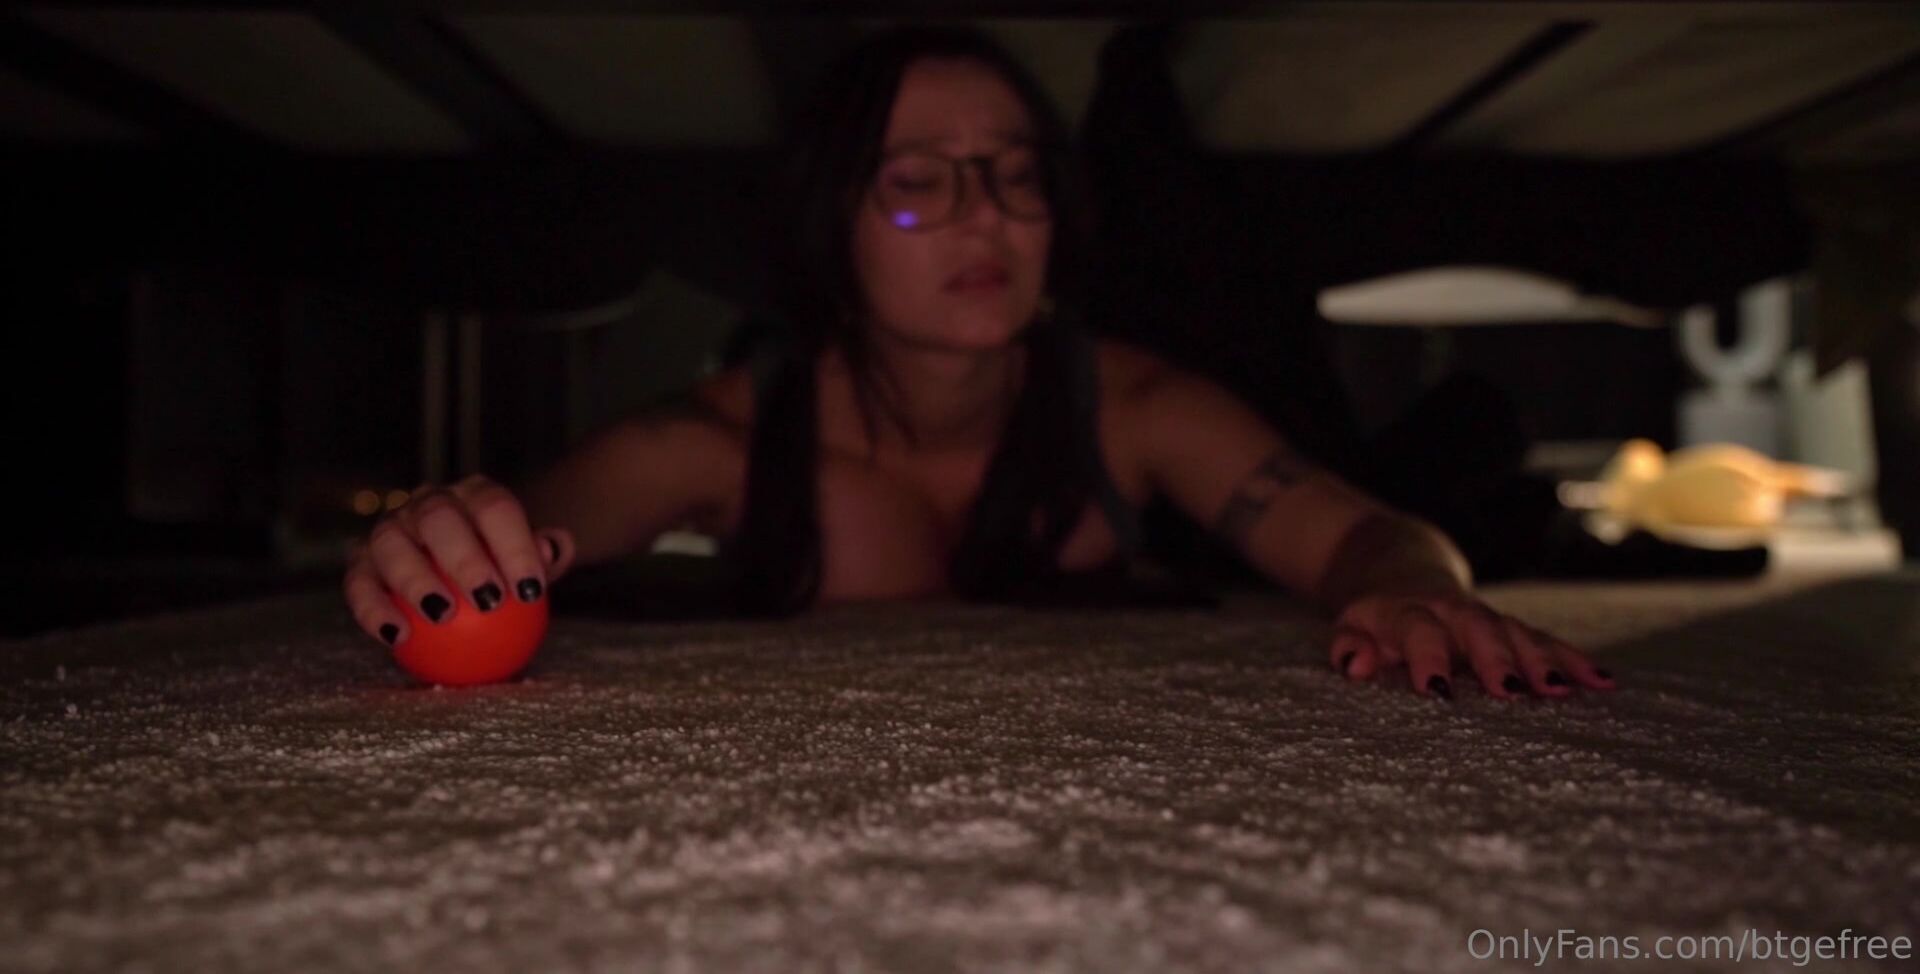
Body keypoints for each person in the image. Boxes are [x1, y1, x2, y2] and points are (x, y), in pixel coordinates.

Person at [341, 26, 1617, 702]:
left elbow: (1369, 532)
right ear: (830, 224)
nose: (984, 216)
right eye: (917, 181)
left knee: (1457, 458)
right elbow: (516, 521)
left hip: (1247, 391)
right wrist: (440, 537)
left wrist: (1412, 588)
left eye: (1014, 175)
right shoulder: (713, 440)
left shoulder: (1137, 403)